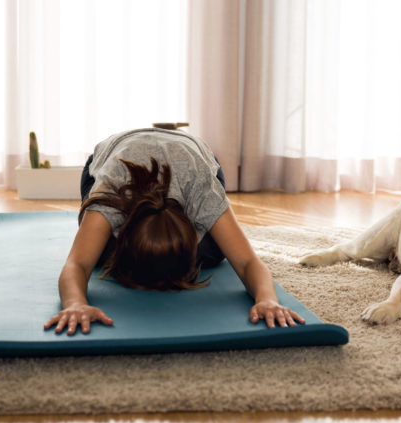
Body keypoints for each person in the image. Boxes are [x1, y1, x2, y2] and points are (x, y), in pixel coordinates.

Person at [44, 128, 305, 335]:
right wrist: (75, 303)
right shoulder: (111, 193)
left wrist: (267, 299)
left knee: (214, 252)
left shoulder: (202, 190)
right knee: (100, 255)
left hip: (195, 156)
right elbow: (77, 264)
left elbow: (248, 262)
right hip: (115, 152)